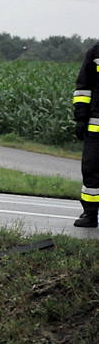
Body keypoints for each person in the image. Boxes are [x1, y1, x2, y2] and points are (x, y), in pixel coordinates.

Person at [73, 41, 99, 227]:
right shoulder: (96, 52)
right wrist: (81, 117)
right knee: (91, 170)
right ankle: (90, 214)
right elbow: (83, 87)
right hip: (95, 129)